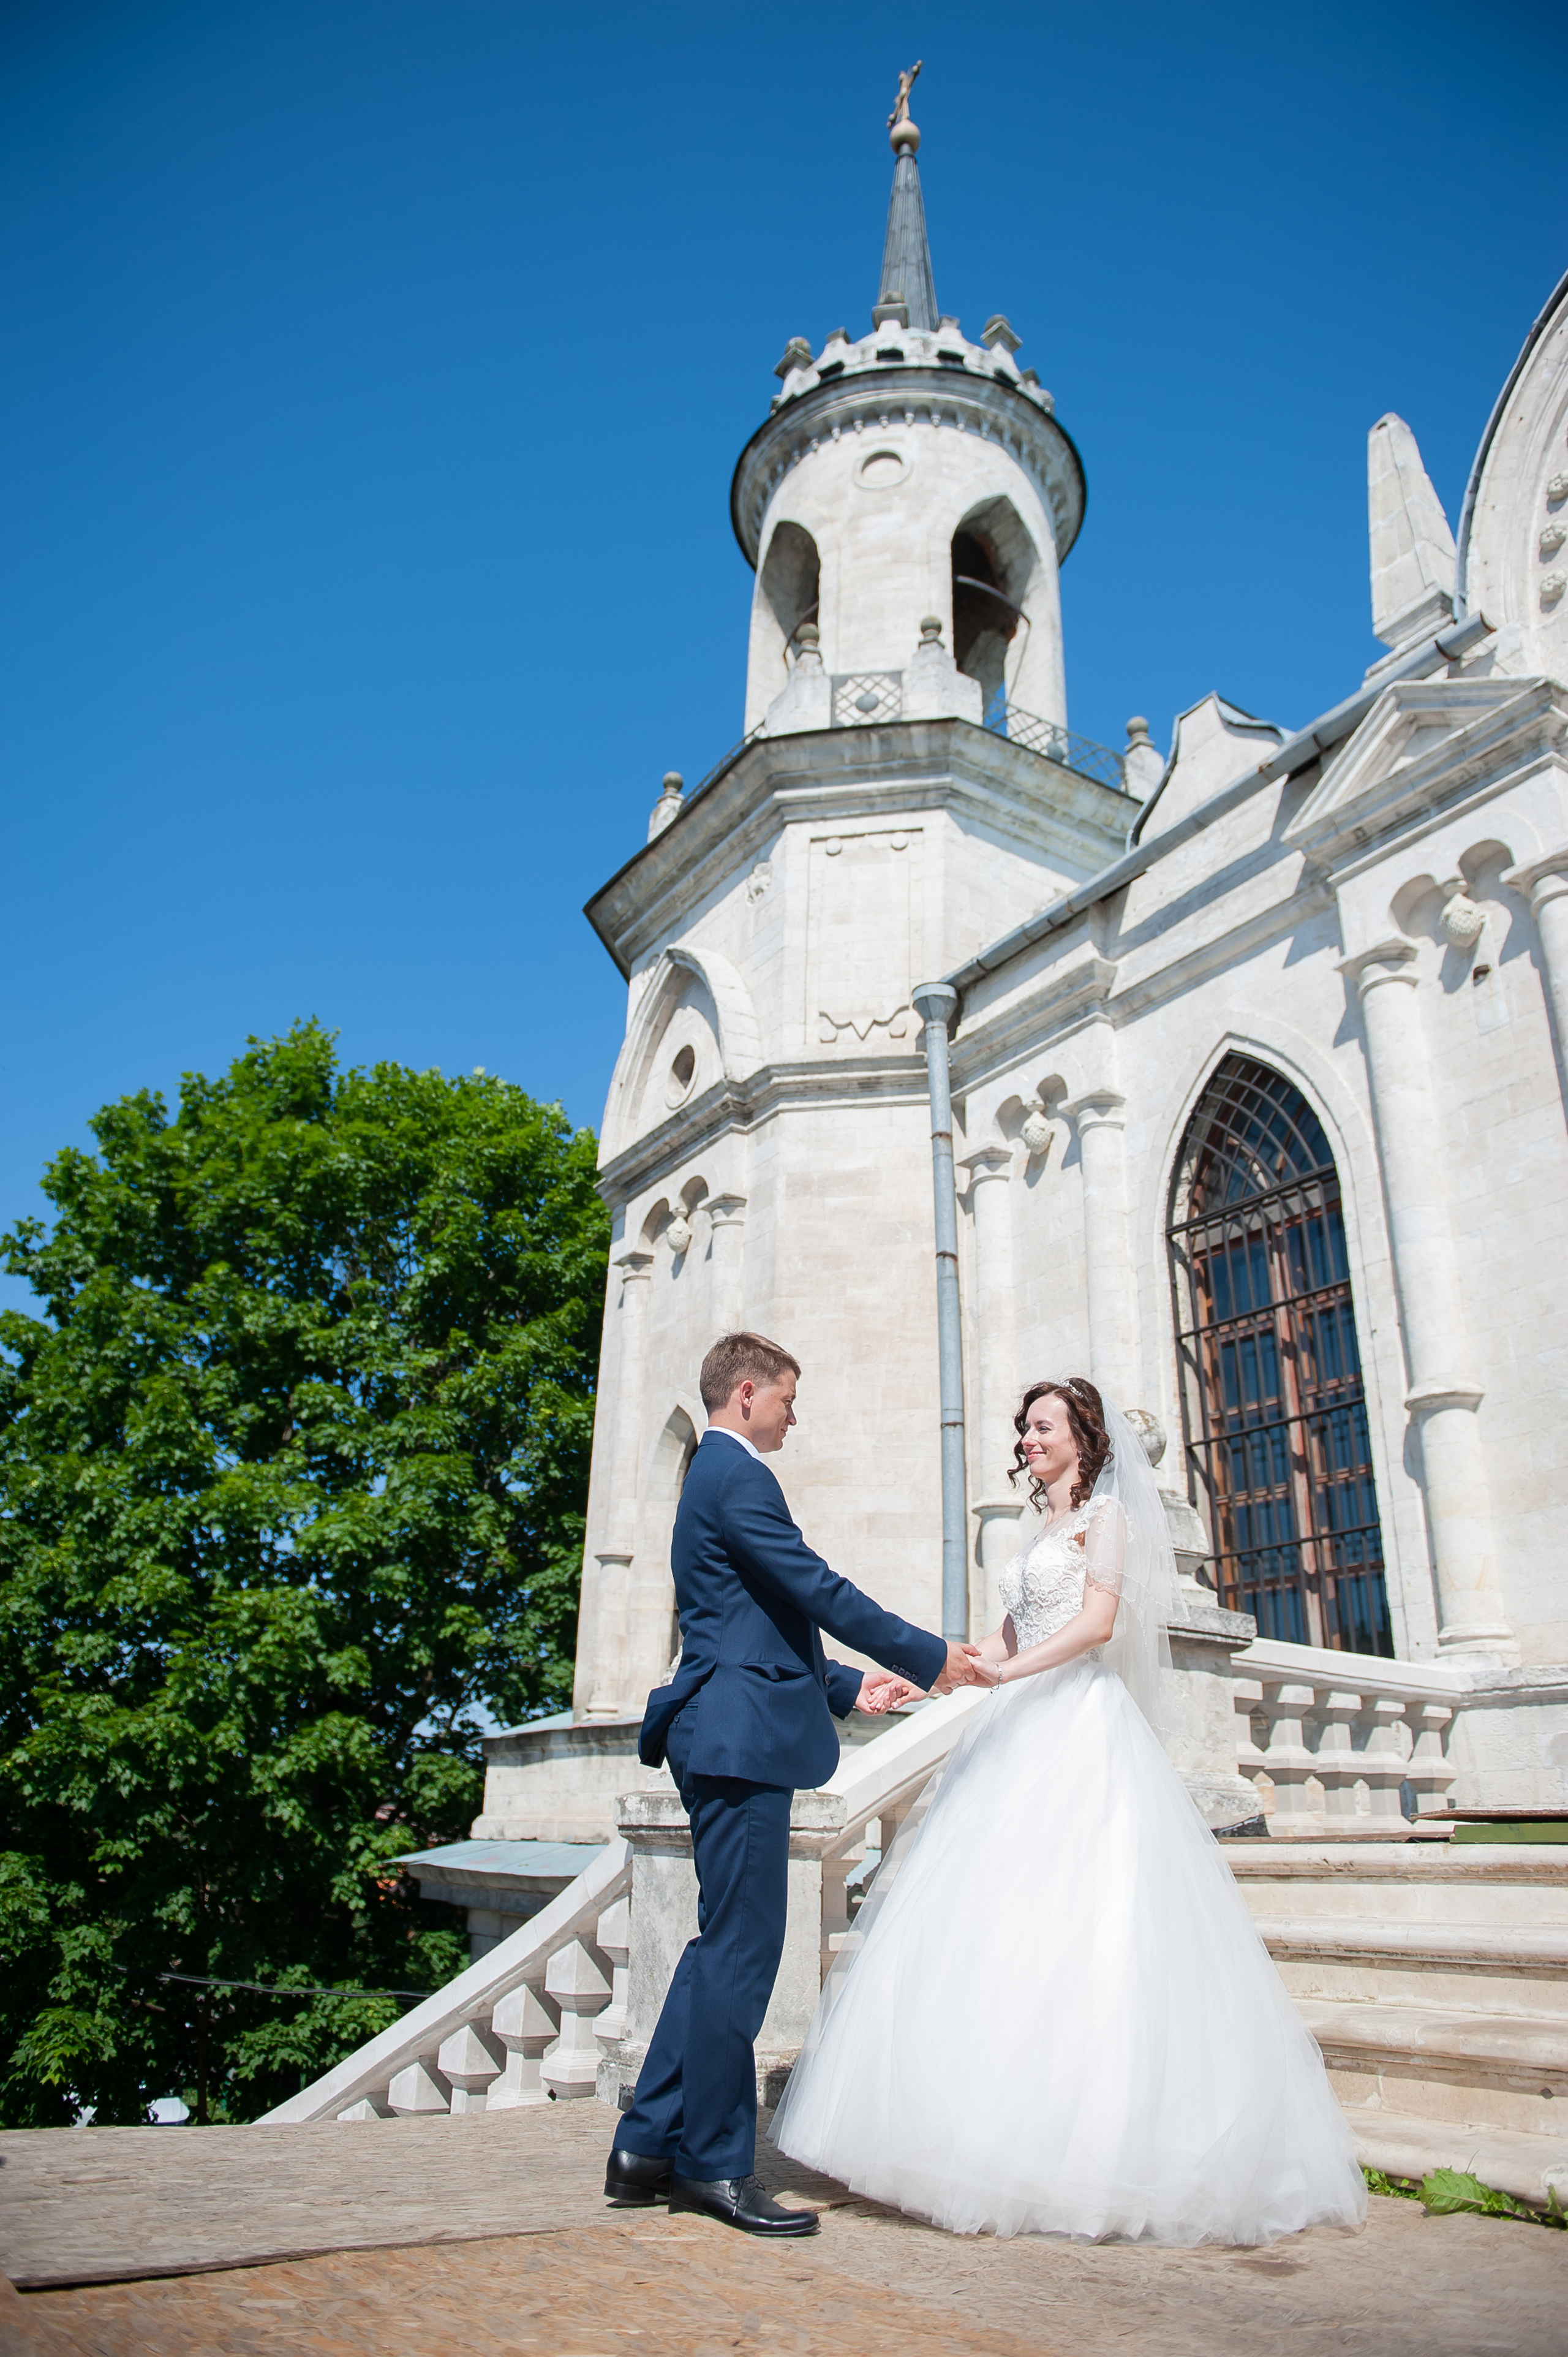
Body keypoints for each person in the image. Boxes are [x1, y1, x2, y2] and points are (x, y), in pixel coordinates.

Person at [772, 1378, 1370, 2247]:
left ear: (1083, 1437)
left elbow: (1096, 1624)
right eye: (1022, 1429)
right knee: (998, 1927)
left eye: (1041, 1427)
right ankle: (978, 2134)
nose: (1026, 1440)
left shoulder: (1108, 1521)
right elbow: (1001, 1640)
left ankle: (1091, 2151)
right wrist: (930, 1673)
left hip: (1079, 1728)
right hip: (1015, 1726)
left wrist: (1004, 1679)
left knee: (1089, 1923)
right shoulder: (1040, 1531)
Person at [605, 1331, 997, 2238]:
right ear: (748, 1394)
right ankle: (712, 2165)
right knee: (742, 1956)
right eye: (788, 1397)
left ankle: (648, 2145)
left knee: (719, 1951)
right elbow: (816, 1588)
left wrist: (851, 1685)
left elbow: (754, 1621)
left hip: (732, 1725)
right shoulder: (737, 1475)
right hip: (737, 1743)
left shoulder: (714, 1479)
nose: (795, 1413)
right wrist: (930, 1655)